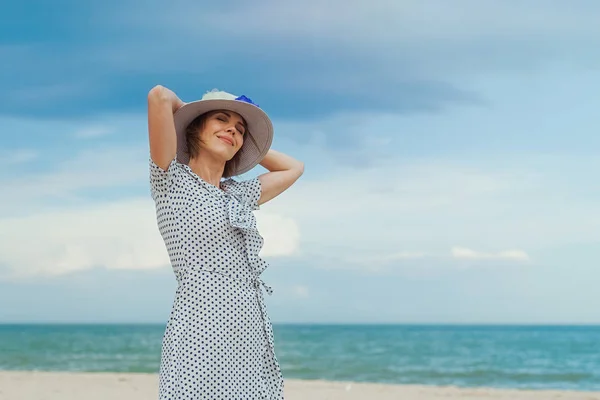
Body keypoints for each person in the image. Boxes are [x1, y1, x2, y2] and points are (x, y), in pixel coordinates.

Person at [147, 85, 304, 399]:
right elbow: (159, 96)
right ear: (195, 129)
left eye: (240, 129)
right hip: (200, 327)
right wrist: (190, 110)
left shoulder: (237, 194)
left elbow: (294, 167)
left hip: (248, 328)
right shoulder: (171, 180)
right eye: (221, 119)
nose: (233, 128)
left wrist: (249, 145)